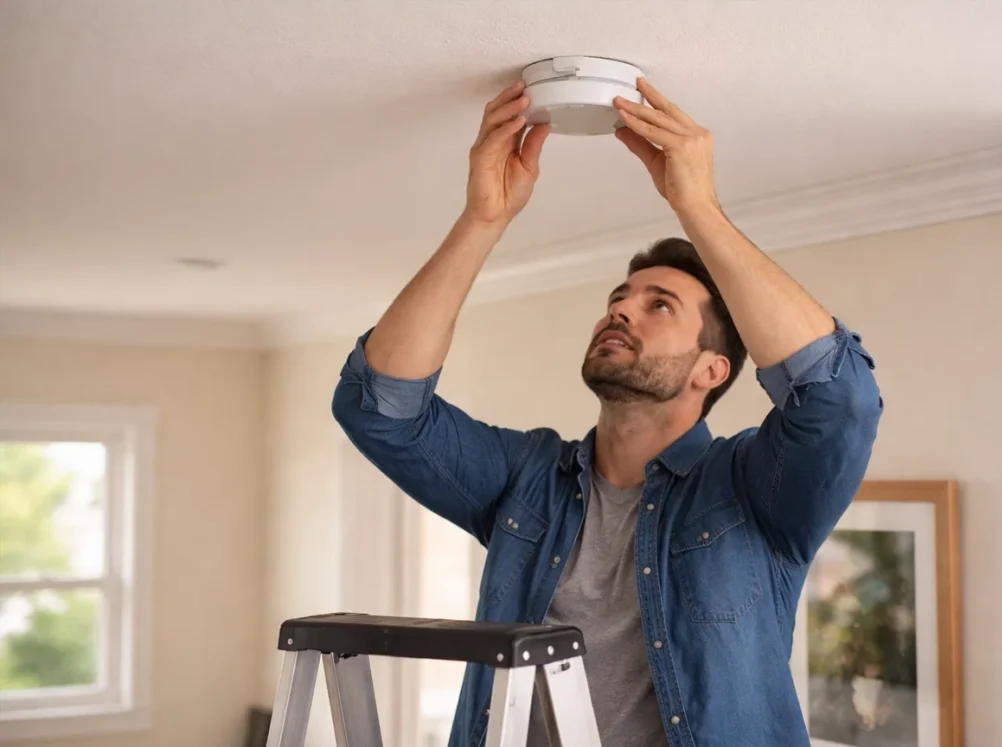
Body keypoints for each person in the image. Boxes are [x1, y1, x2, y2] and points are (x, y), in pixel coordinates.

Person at [332, 77, 883, 747]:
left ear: (712, 371)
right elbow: (380, 407)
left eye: (659, 305)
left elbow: (837, 398)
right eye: (620, 297)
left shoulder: (752, 490)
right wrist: (483, 220)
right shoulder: (525, 478)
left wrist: (698, 205)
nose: (620, 308)